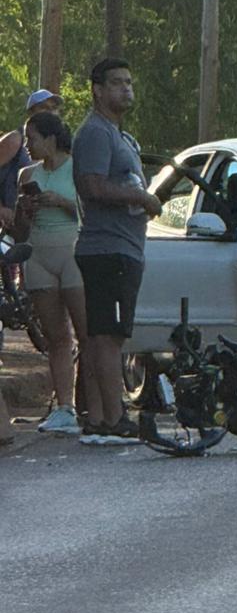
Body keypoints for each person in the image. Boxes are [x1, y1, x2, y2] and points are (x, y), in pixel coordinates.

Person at [72, 58, 161, 444]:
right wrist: (140, 197)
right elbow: (92, 186)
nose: (126, 89)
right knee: (108, 336)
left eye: (129, 82)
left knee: (103, 336)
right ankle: (113, 417)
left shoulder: (118, 135)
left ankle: (99, 416)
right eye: (117, 83)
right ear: (98, 90)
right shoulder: (95, 133)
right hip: (107, 248)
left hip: (121, 247)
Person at [13, 111, 88, 435]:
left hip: (72, 251)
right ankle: (64, 407)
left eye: (32, 139)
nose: (27, 146)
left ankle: (93, 404)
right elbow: (19, 232)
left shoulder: (78, 168)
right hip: (39, 255)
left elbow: (89, 211)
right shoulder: (27, 174)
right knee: (56, 337)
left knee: (86, 334)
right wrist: (24, 210)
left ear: (51, 139)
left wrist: (61, 201)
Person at [0, 89, 63, 232]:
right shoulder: (15, 140)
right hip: (9, 227)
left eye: (54, 108)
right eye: (45, 107)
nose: (51, 112)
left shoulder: (57, 147)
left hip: (39, 227)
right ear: (31, 112)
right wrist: (1, 209)